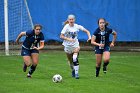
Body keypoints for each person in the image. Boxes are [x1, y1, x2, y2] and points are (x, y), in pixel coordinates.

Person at [60, 14, 91, 79]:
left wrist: (89, 37)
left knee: (74, 58)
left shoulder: (77, 26)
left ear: (74, 20)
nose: (71, 20)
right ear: (68, 20)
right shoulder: (66, 27)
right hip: (67, 46)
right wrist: (69, 39)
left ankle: (77, 74)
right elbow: (61, 36)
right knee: (70, 62)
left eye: (72, 19)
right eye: (70, 19)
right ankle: (73, 70)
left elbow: (87, 31)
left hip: (75, 45)